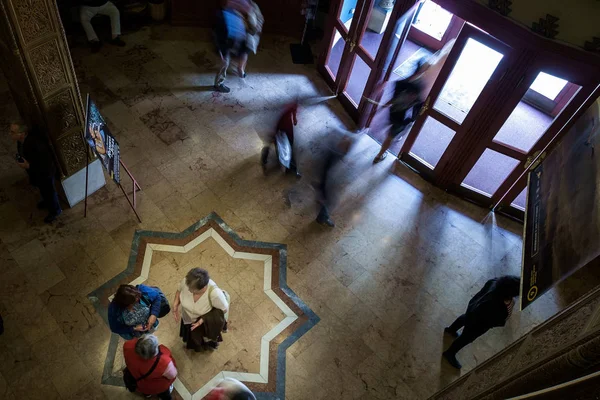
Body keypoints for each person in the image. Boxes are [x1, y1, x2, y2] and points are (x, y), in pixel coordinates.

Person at [443, 275, 521, 369]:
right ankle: (450, 353)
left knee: (465, 318)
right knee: (466, 338)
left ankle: (451, 329)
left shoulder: (493, 281)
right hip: (478, 324)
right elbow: (496, 321)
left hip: (473, 308)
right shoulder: (500, 307)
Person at [372, 60, 429, 163]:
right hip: (404, 118)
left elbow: (393, 98)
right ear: (423, 70)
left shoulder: (401, 83)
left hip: (394, 112)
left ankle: (388, 135)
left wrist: (383, 107)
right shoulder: (419, 86)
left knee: (391, 128)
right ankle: (379, 155)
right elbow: (419, 103)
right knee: (391, 136)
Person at [9, 123, 62, 223]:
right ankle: (47, 202)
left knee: (49, 192)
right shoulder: (20, 141)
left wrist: (28, 166)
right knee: (43, 190)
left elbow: (45, 164)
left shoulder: (36, 144)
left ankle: (55, 210)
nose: (10, 134)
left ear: (22, 134)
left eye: (13, 132)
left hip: (45, 173)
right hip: (37, 173)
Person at [173, 268, 230, 352]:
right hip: (187, 319)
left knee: (204, 339)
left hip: (204, 325)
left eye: (193, 290)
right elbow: (179, 290)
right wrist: (175, 304)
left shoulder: (215, 294)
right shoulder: (188, 281)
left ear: (204, 287)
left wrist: (203, 320)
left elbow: (223, 311)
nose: (189, 290)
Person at [314, 128, 358, 227]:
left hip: (325, 181)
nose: (348, 150)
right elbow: (325, 172)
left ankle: (321, 208)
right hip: (325, 183)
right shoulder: (333, 154)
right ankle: (322, 218)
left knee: (327, 200)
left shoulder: (336, 149)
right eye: (347, 147)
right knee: (330, 202)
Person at [213, 0, 252, 93]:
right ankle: (218, 84)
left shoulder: (238, 14)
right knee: (225, 63)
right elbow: (217, 36)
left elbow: (242, 29)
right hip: (225, 45)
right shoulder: (221, 16)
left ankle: (240, 70)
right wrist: (221, 51)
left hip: (237, 42)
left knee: (242, 56)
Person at [123, 334, 177, 400]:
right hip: (156, 386)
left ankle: (147, 395)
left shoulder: (128, 346)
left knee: (146, 390)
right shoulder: (164, 363)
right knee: (164, 394)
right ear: (154, 351)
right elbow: (172, 375)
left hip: (140, 383)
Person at [261, 101, 301, 177]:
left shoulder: (288, 108)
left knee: (283, 149)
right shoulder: (282, 113)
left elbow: (293, 110)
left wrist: (294, 118)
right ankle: (289, 168)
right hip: (280, 132)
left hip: (282, 131)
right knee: (285, 150)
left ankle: (288, 167)